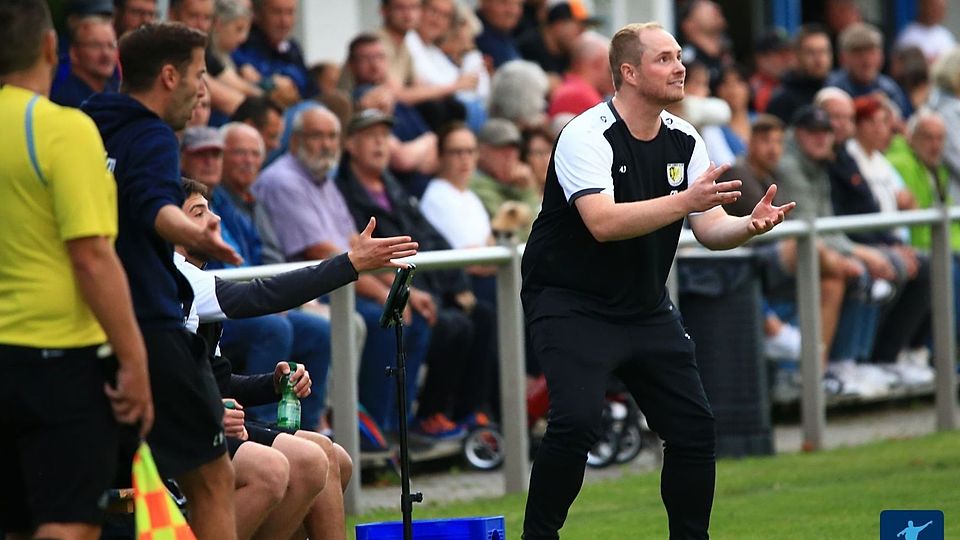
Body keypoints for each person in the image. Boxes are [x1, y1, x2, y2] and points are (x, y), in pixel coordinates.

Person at [519, 22, 794, 539]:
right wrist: (685, 202)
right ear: (628, 72)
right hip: (570, 302)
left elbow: (708, 228)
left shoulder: (683, 137)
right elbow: (602, 223)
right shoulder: (585, 134)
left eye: (679, 56)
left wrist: (747, 227)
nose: (680, 67)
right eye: (664, 58)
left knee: (694, 429)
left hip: (644, 306)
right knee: (575, 423)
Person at [176, 178, 416, 540]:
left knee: (334, 457)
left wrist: (272, 384)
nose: (214, 219)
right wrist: (350, 264)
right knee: (302, 463)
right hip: (174, 428)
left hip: (200, 417)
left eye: (211, 209)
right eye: (198, 212)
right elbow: (263, 296)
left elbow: (217, 379)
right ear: (167, 225)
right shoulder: (176, 274)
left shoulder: (192, 277)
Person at [81, 22, 243, 540]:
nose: (204, 90)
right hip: (151, 331)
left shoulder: (87, 120)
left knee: (85, 497)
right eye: (199, 75)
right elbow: (155, 206)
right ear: (169, 76)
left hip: (85, 330)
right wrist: (197, 232)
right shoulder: (152, 134)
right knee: (214, 480)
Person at [0, 2, 151, 538]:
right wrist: (134, 361)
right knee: (69, 525)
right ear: (49, 48)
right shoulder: (64, 129)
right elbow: (91, 256)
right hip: (57, 359)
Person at [50, 15, 120, 108]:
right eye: (95, 45)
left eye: (111, 45)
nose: (106, 54)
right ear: (74, 53)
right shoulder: (65, 101)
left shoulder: (117, 91)